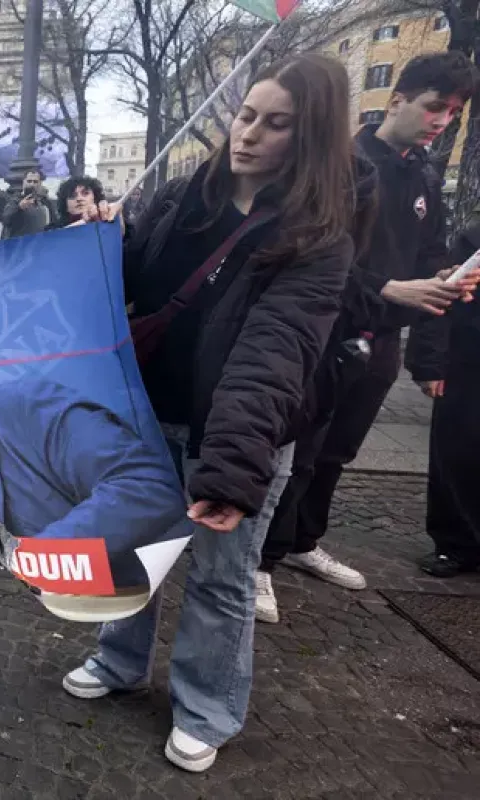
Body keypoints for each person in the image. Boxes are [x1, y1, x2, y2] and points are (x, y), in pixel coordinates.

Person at [63, 54, 364, 773]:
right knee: (130, 551)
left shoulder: (317, 236)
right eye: (246, 115)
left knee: (221, 579)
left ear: (310, 136)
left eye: (276, 124)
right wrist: (102, 241)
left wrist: (229, 472)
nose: (250, 134)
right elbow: (126, 283)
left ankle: (206, 707)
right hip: (147, 413)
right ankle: (120, 661)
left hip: (235, 434)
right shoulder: (180, 197)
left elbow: (273, 357)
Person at [256, 51, 480, 618]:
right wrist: (389, 289)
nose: (441, 121)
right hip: (325, 330)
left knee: (337, 451)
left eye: (453, 113)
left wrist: (440, 283)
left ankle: (304, 541)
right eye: (435, 107)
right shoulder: (346, 165)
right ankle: (260, 560)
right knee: (297, 449)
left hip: (379, 341)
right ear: (398, 99)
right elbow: (315, 255)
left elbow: (428, 252)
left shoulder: (425, 172)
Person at [0, 334, 188, 619]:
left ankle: (120, 660)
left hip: (108, 591)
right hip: (79, 594)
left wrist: (44, 556)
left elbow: (149, 485)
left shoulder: (30, 406)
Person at [405, 212, 480, 577]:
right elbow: (445, 300)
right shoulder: (474, 237)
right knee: (457, 452)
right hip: (468, 362)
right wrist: (431, 363)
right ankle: (456, 544)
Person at [1, 167, 56, 239]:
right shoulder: (15, 200)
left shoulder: (45, 202)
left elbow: (53, 222)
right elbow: (6, 220)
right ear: (24, 182)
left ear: (40, 183)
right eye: (29, 181)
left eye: (35, 181)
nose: (32, 184)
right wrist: (19, 208)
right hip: (20, 245)